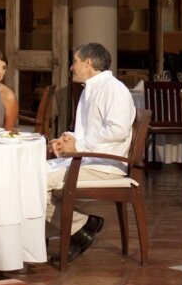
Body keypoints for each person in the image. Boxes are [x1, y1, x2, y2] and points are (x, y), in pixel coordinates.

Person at [46, 42, 135, 263]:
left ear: (88, 63)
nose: (71, 67)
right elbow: (87, 132)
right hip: (88, 160)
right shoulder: (91, 89)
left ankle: (78, 230)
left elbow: (118, 130)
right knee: (28, 174)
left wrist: (79, 146)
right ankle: (81, 227)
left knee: (33, 183)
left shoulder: (113, 89)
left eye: (74, 61)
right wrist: (67, 139)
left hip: (105, 166)